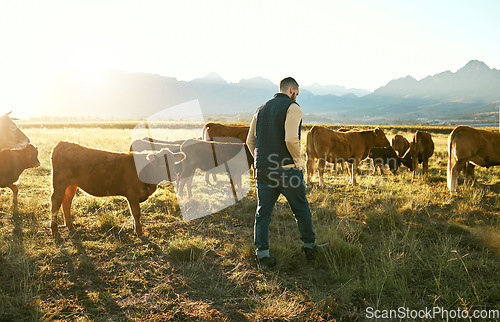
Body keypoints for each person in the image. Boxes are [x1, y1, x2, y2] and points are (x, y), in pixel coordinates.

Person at [246, 77, 328, 270]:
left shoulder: (260, 109)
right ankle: (310, 248)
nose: (296, 97)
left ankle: (263, 256)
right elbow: (291, 139)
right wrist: (298, 163)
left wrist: (261, 161)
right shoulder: (293, 108)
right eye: (296, 94)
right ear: (292, 90)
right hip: (287, 171)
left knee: (262, 213)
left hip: (264, 171)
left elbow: (250, 142)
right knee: (301, 210)